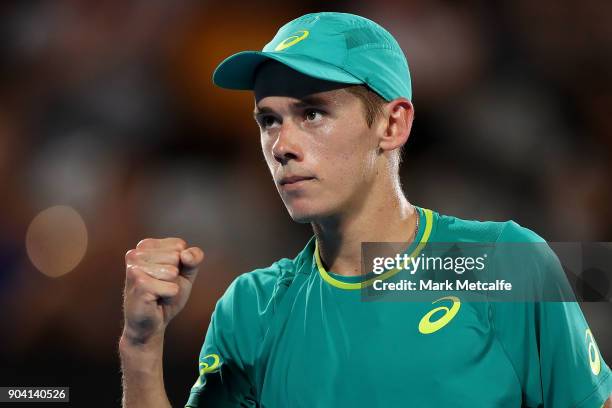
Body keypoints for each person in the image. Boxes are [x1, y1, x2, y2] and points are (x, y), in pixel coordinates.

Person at [119, 12, 612, 407]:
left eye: (312, 112)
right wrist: (141, 348)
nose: (281, 145)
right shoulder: (250, 308)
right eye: (268, 120)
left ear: (393, 125)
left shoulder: (501, 263)